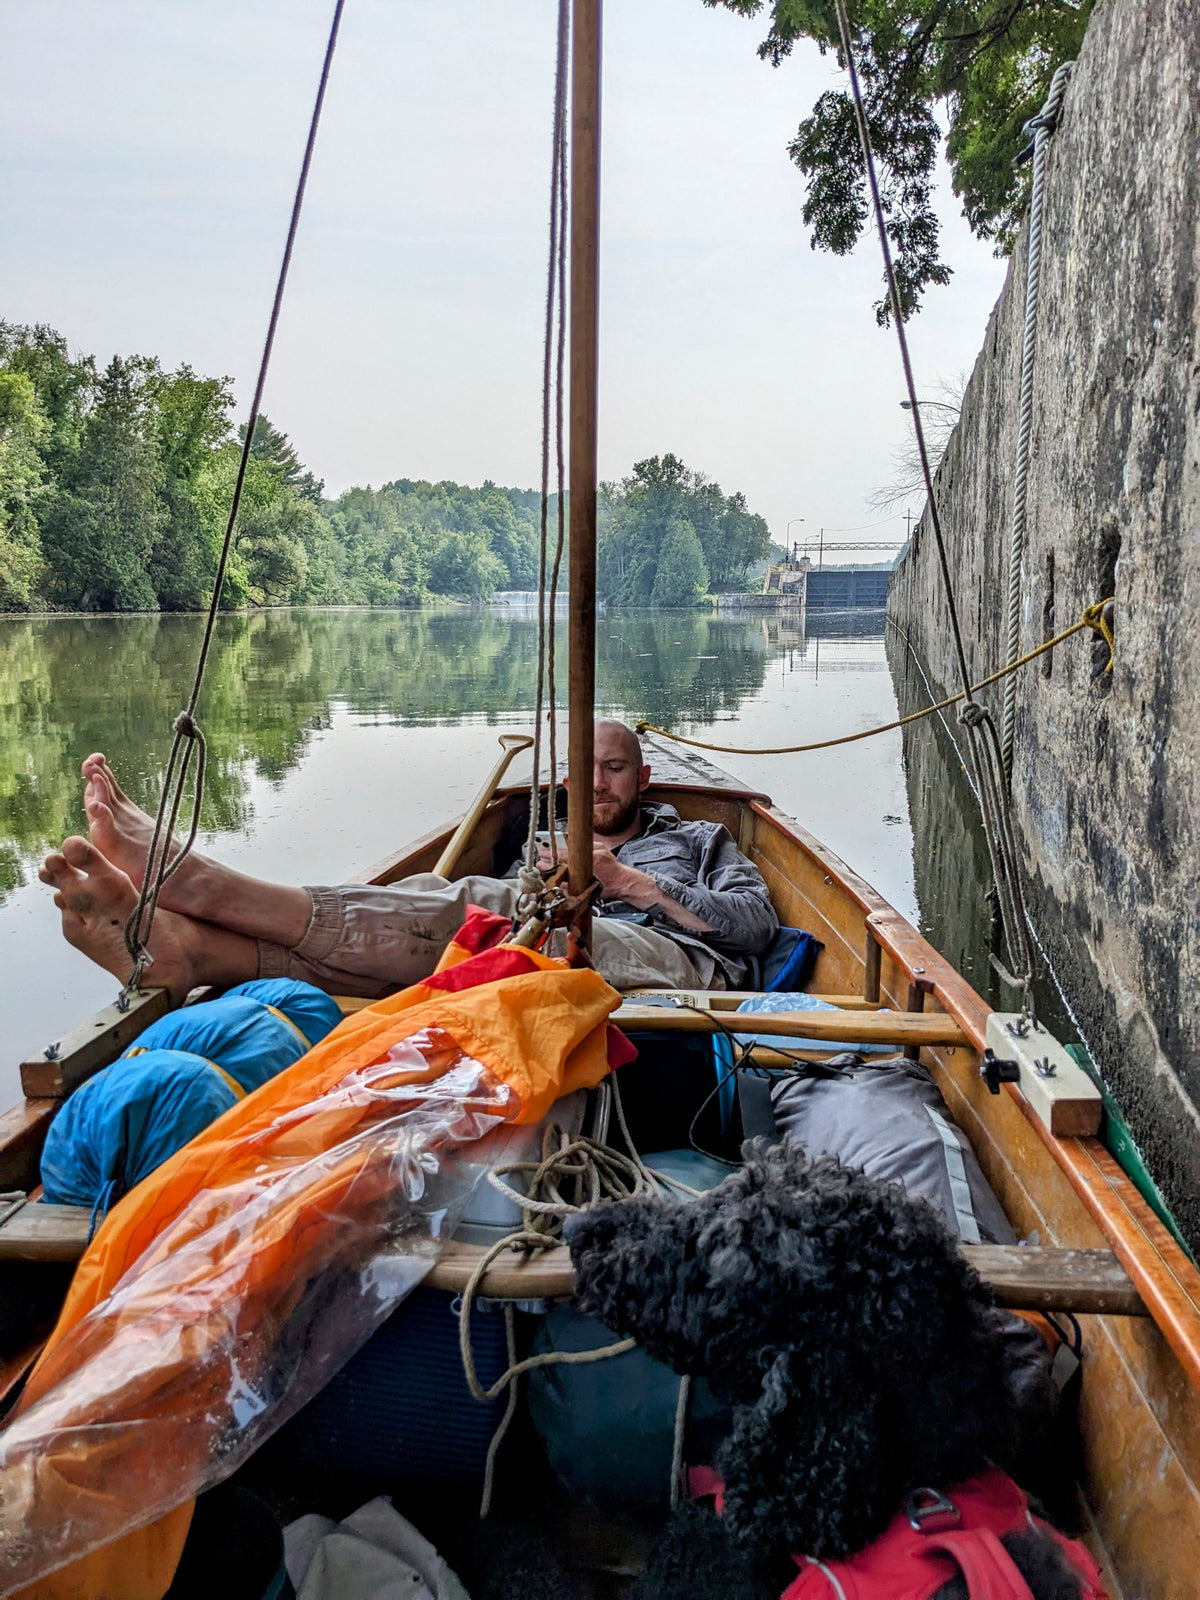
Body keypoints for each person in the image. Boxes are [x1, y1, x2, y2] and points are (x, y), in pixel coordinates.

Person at [40, 720, 778, 1001]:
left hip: (678, 963)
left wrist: (629, 883)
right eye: (583, 768)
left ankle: (209, 889)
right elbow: (508, 897)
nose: (596, 784)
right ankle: (197, 952)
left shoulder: (700, 841)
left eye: (614, 768)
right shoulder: (544, 832)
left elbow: (754, 931)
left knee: (476, 917)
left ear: (641, 780)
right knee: (432, 891)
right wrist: (548, 875)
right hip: (554, 936)